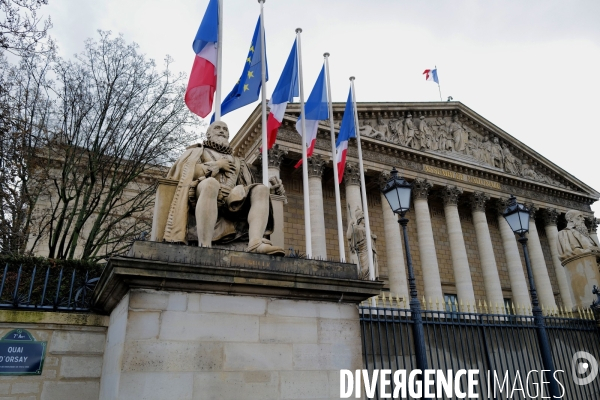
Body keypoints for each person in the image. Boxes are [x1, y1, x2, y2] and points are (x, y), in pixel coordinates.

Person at [162, 121, 284, 255]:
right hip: (202, 193)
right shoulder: (196, 152)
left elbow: (248, 185)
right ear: (208, 134)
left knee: (261, 189)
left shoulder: (238, 161)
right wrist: (216, 165)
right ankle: (205, 245)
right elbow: (185, 172)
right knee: (210, 184)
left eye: (225, 129)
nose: (222, 131)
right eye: (217, 128)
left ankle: (255, 243)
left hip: (230, 198)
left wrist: (271, 190)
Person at [347, 207, 378, 280]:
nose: (365, 220)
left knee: (371, 267)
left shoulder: (367, 229)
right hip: (363, 250)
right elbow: (349, 236)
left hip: (370, 250)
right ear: (360, 219)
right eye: (363, 218)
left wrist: (372, 237)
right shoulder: (356, 228)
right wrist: (349, 225)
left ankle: (371, 279)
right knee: (364, 269)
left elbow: (369, 238)